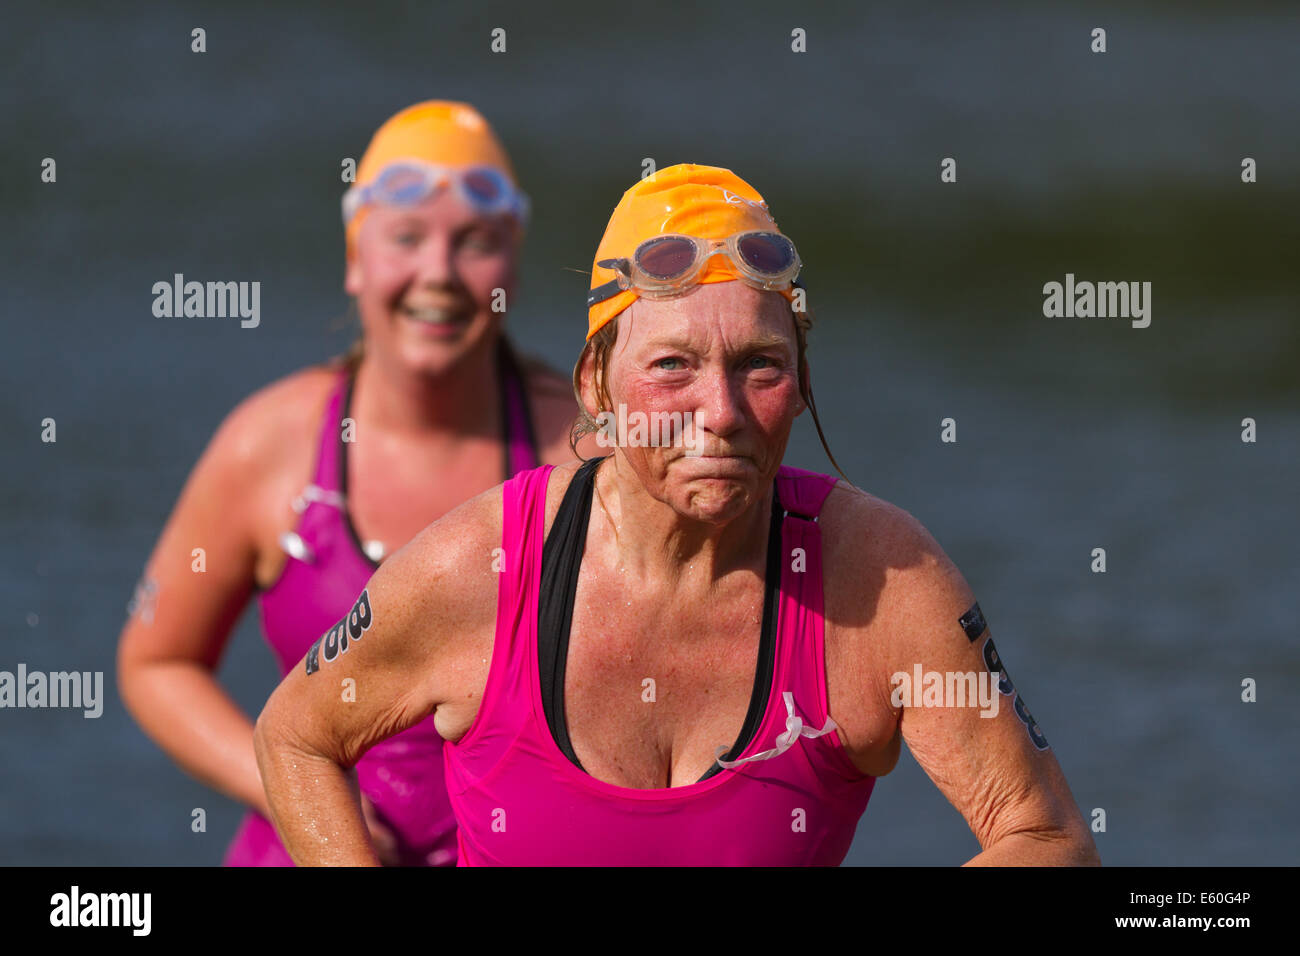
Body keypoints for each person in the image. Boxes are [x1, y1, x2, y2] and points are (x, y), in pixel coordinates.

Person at [253, 163, 1101, 866]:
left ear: (803, 385)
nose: (722, 410)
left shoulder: (883, 580)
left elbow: (1047, 838)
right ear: (596, 388)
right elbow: (295, 737)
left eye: (761, 365)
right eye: (672, 365)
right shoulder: (479, 570)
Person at [117, 101, 591, 866]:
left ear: (511, 267)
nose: (437, 271)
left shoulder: (582, 449)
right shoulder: (269, 446)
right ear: (355, 259)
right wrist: (300, 796)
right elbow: (155, 663)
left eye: (474, 243)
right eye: (406, 238)